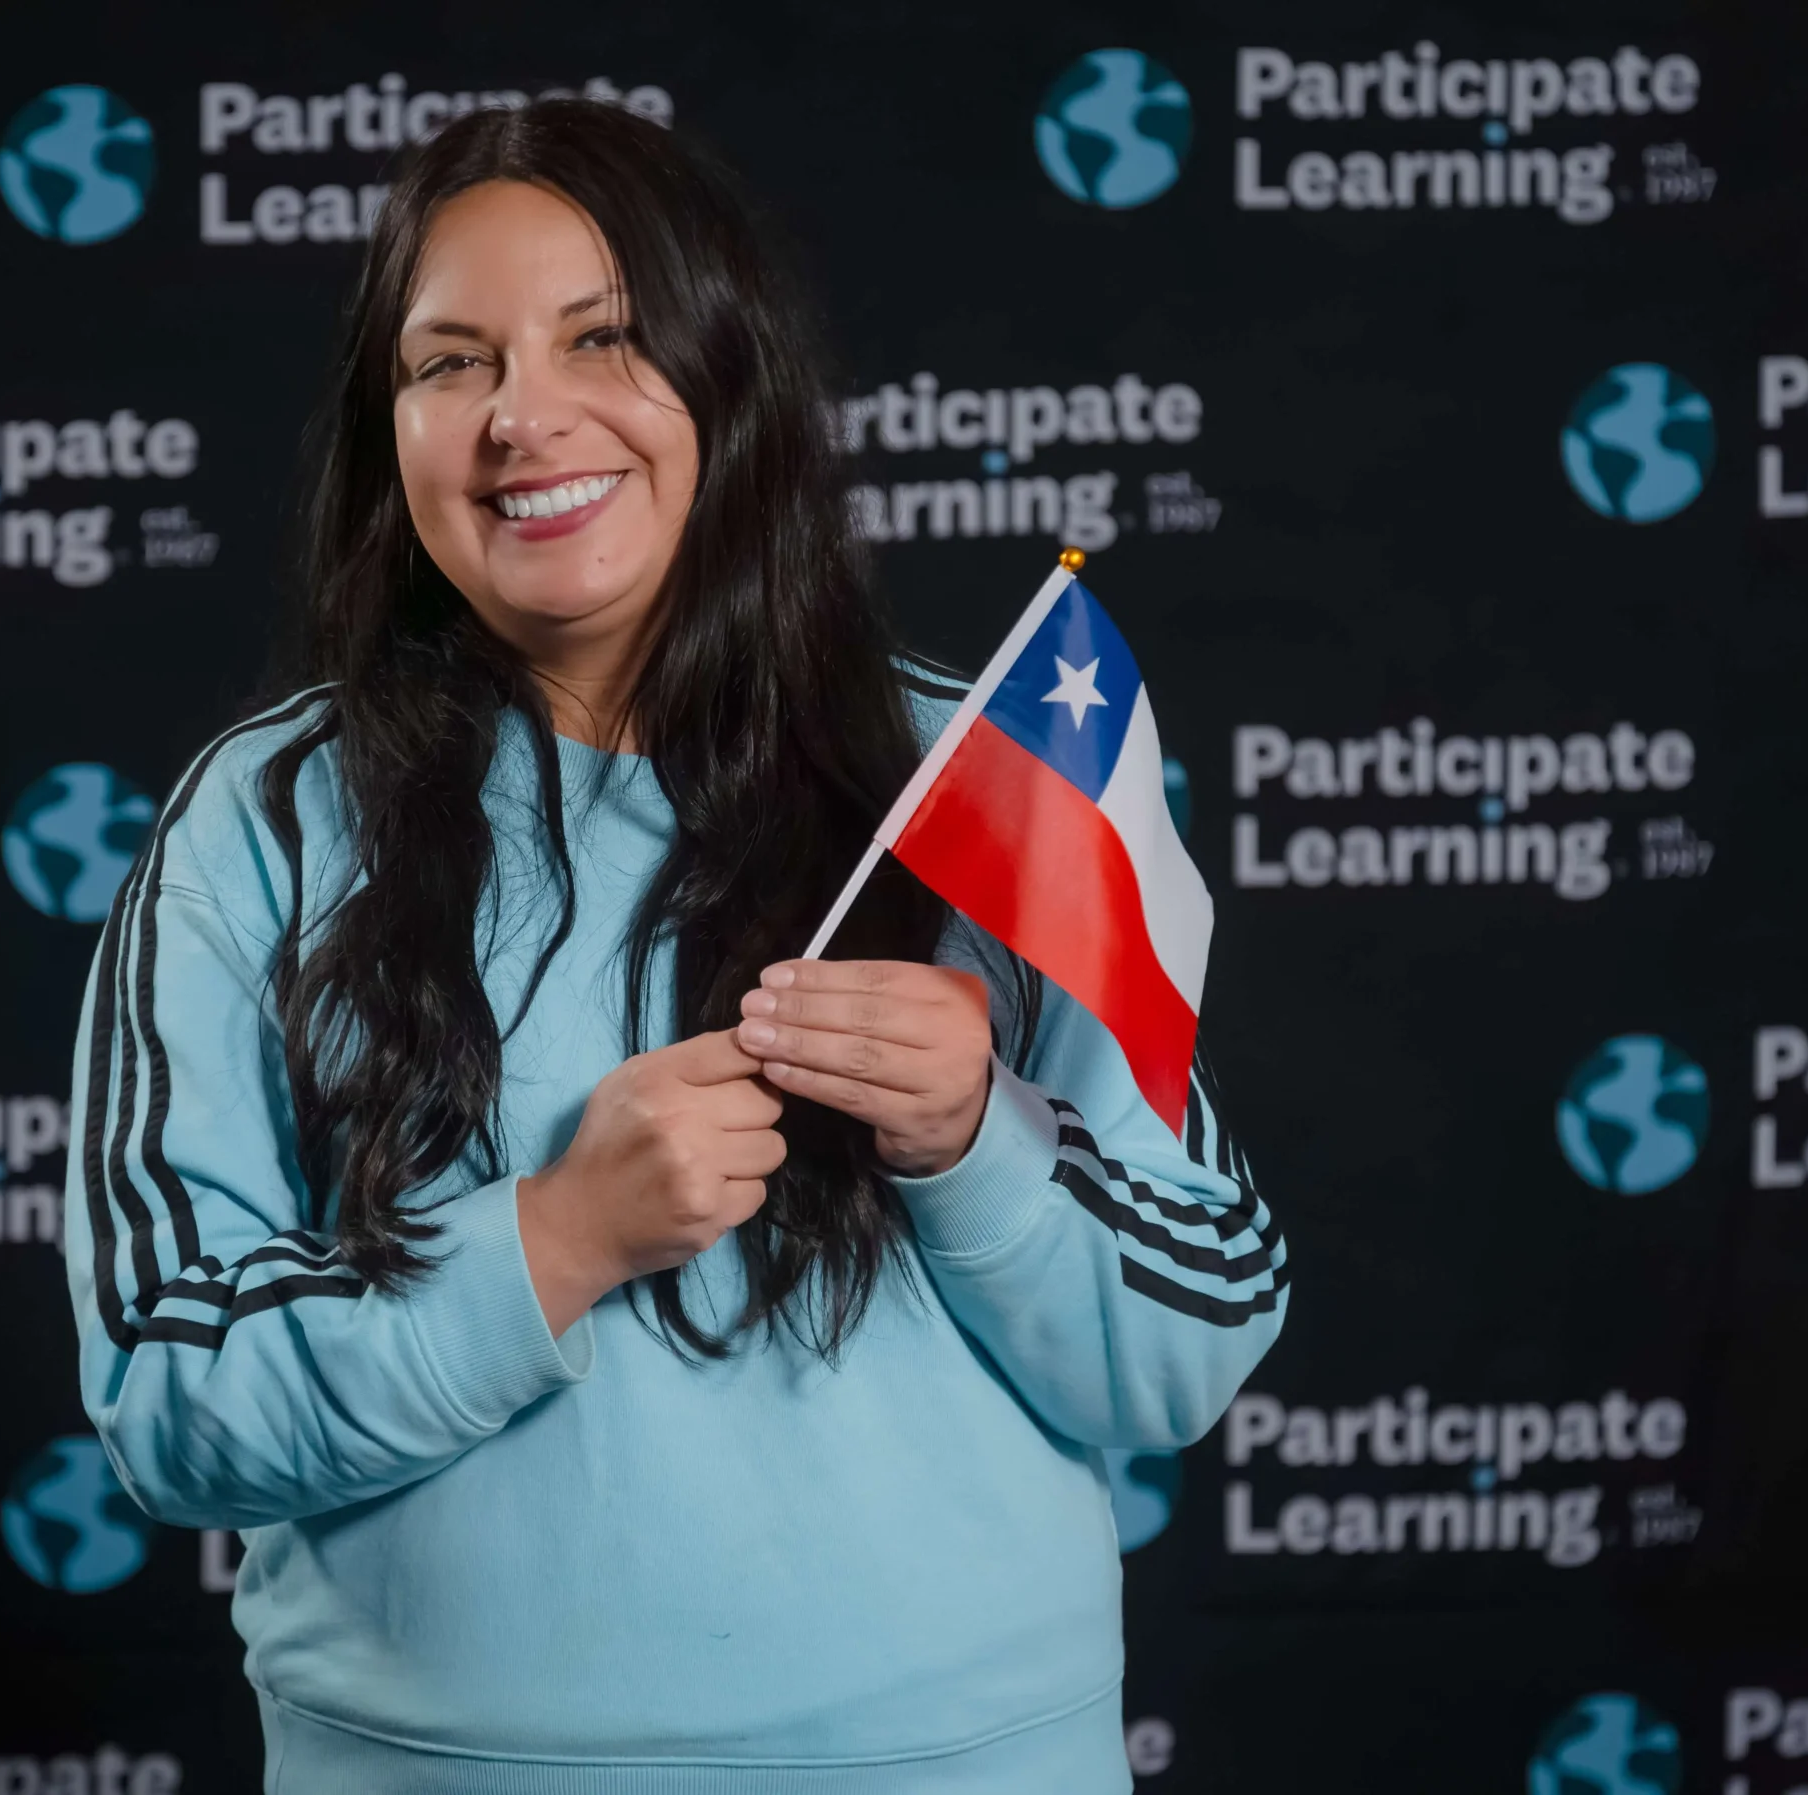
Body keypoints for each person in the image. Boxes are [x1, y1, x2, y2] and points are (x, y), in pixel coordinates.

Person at [63, 96, 1286, 1794]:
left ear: (731, 379)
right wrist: (554, 1239)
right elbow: (169, 1396)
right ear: (386, 428)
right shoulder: (260, 824)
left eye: (605, 338)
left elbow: (1196, 1334)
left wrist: (972, 1137)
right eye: (449, 362)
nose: (524, 417)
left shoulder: (973, 793)